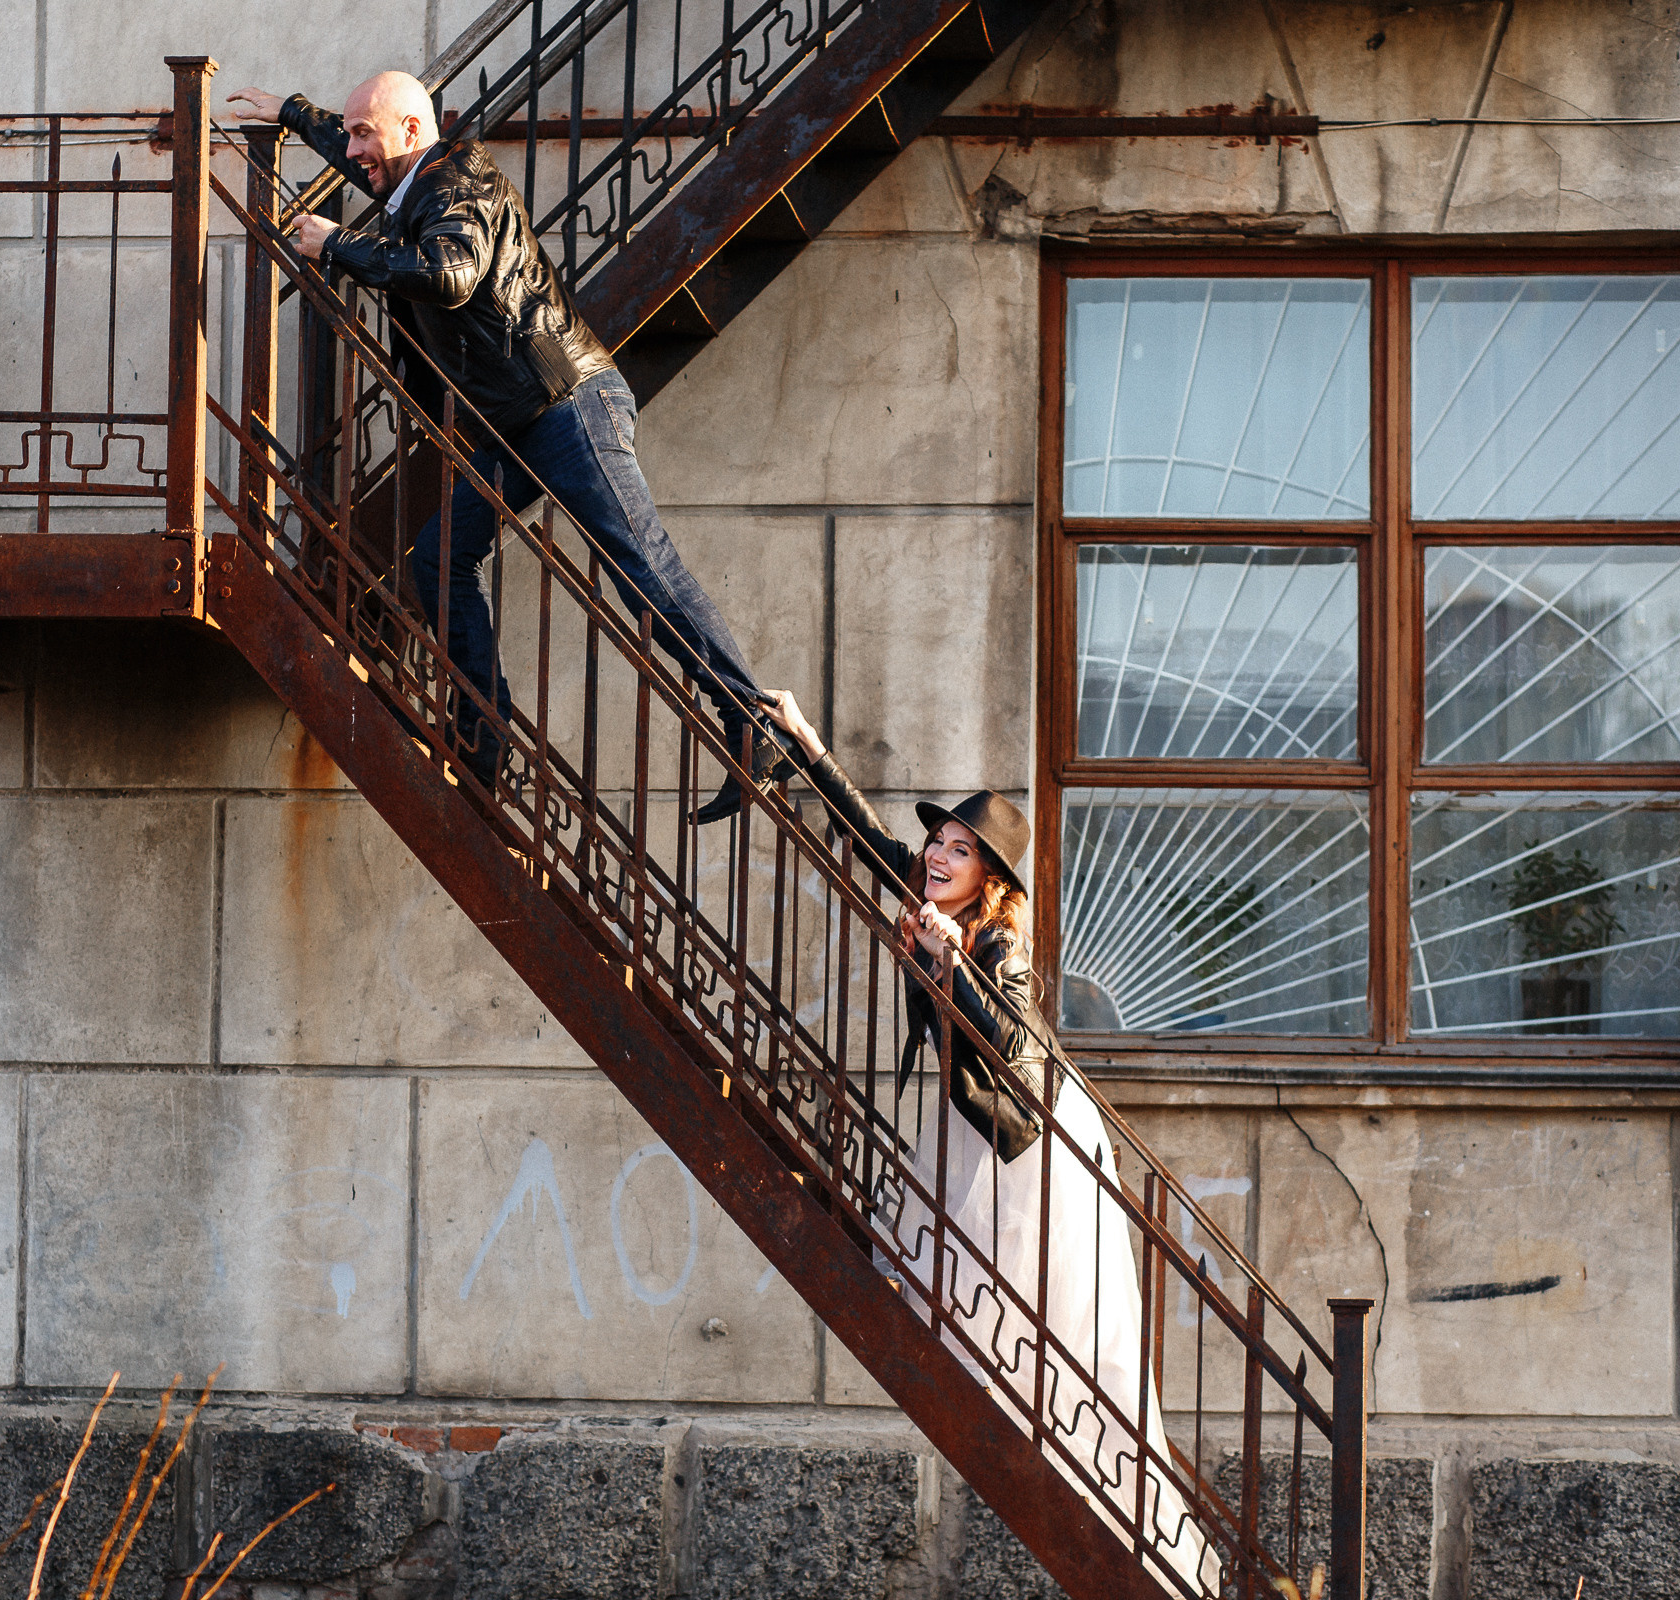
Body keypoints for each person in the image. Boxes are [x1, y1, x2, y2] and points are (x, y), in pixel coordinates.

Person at [222, 72, 787, 823]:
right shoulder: (407, 173)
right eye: (349, 131)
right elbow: (366, 153)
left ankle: (750, 718)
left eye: (366, 132)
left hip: (568, 405)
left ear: (415, 133)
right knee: (439, 556)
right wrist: (295, 115)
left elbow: (450, 275)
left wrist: (339, 247)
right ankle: (483, 738)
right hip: (519, 423)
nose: (353, 148)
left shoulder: (460, 181)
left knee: (638, 559)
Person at [760, 690, 1212, 1593]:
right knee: (975, 1313)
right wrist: (807, 743)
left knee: (1066, 1336)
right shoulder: (932, 898)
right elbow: (861, 833)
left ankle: (1137, 1523)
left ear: (988, 878)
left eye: (959, 850)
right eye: (938, 841)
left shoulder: (998, 946)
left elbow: (1015, 1056)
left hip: (1032, 1148)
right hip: (981, 1135)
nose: (937, 854)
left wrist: (954, 966)